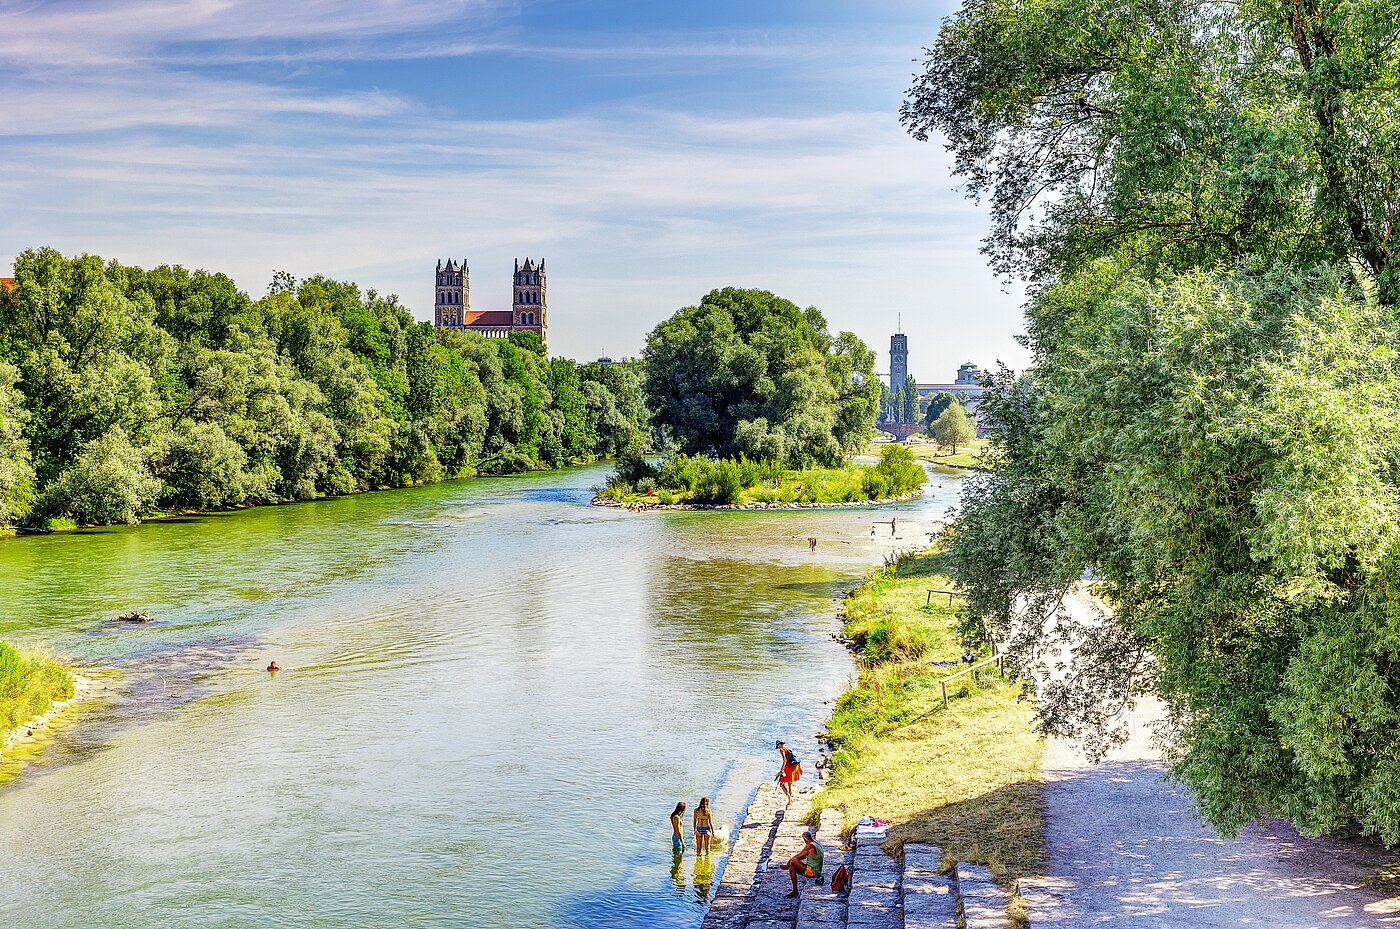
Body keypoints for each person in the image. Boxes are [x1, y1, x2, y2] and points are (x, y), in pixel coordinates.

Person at [778, 828, 824, 898]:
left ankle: (787, 868)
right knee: (792, 869)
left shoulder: (810, 846)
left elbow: (798, 857)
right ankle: (794, 891)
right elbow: (803, 856)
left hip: (813, 872)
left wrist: (787, 865)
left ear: (804, 839)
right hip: (816, 870)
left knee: (794, 861)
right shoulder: (816, 843)